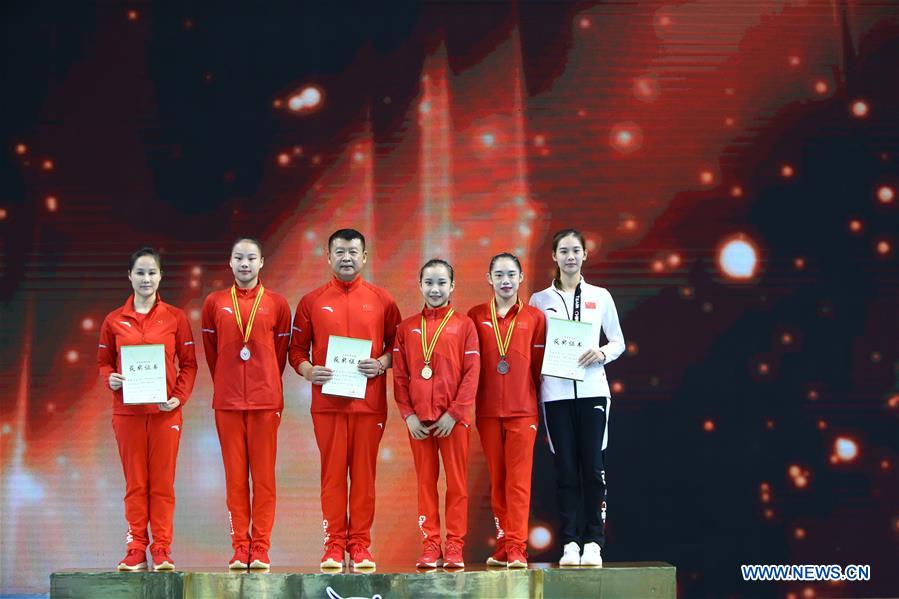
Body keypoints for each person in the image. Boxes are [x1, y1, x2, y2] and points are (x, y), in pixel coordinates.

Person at [289, 229, 402, 570]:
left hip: (368, 405)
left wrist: (382, 363)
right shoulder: (311, 301)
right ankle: (334, 544)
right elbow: (295, 351)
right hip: (328, 405)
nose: (347, 257)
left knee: (364, 478)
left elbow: (399, 347)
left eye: (353, 251)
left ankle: (361, 545)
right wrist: (309, 371)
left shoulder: (382, 300)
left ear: (365, 257)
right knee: (333, 475)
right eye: (339, 251)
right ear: (328, 257)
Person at [528, 229, 625, 568]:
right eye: (563, 251)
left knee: (593, 469)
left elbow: (617, 342)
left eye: (576, 251)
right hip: (554, 395)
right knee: (566, 470)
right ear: (554, 256)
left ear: (585, 255)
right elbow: (532, 345)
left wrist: (600, 353)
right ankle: (570, 542)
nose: (570, 257)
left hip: (593, 393)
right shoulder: (539, 301)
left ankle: (594, 543)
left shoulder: (601, 296)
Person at [97, 247, 197, 571]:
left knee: (162, 484)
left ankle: (163, 549)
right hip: (127, 415)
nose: (146, 279)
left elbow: (190, 365)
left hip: (165, 413)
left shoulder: (175, 318)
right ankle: (136, 549)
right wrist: (109, 378)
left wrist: (178, 397)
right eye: (139, 273)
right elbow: (103, 363)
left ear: (161, 276)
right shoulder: (113, 320)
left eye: (152, 272)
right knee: (136, 484)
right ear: (129, 276)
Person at [201, 237, 292, 570]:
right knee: (235, 478)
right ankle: (241, 546)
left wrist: (265, 381)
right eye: (238, 257)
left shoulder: (277, 304)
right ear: (229, 262)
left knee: (264, 478)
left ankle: (261, 547)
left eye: (251, 258)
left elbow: (279, 353)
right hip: (227, 403)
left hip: (265, 402)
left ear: (262, 262)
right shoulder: (214, 302)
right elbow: (213, 352)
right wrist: (227, 381)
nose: (244, 264)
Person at [393, 259, 480, 569]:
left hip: (453, 422)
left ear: (452, 286)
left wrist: (455, 413)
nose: (435, 288)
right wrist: (408, 415)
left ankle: (454, 545)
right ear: (420, 286)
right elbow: (400, 377)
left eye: (442, 282)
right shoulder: (406, 327)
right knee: (425, 484)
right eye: (429, 282)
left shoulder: (464, 325)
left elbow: (472, 373)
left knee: (456, 484)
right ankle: (431, 545)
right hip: (419, 422)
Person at [467, 253, 546, 568]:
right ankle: (503, 543)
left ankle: (517, 547)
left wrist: (528, 398)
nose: (506, 281)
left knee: (518, 481)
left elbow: (539, 367)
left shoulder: (535, 317)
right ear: (489, 278)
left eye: (511, 274)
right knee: (498, 481)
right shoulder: (474, 316)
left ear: (522, 277)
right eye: (499, 275)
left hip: (522, 410)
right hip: (487, 411)